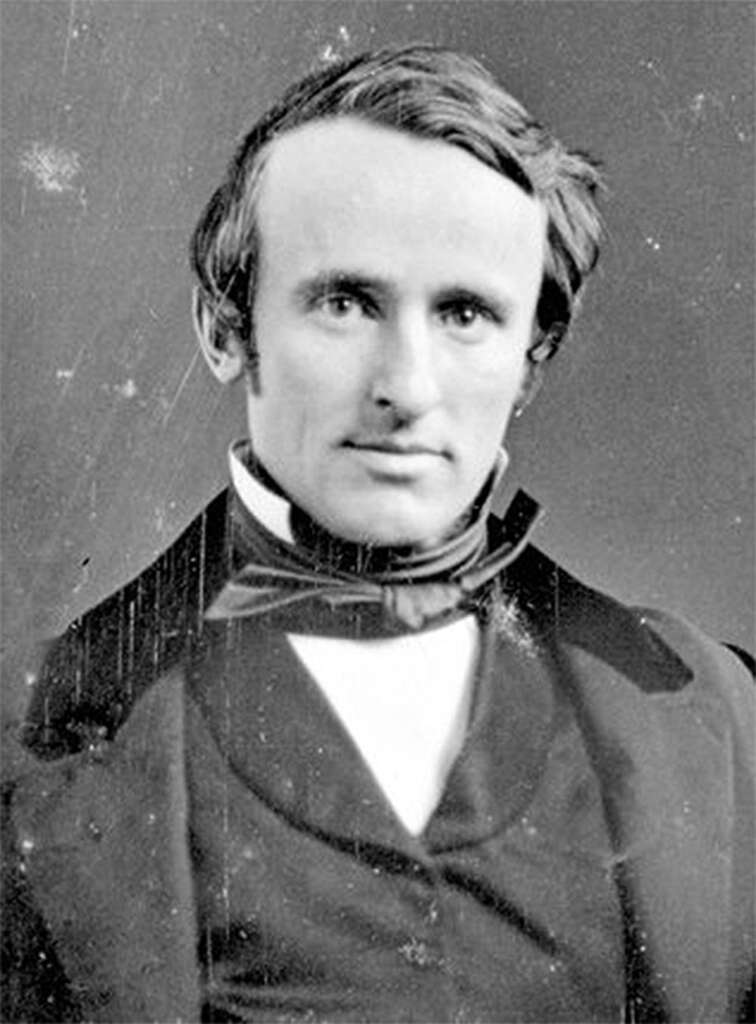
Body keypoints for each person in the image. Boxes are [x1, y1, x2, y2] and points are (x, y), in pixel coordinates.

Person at [1, 44, 753, 1024]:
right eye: (346, 302)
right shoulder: (32, 746)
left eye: (466, 313)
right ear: (225, 329)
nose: (406, 384)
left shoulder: (724, 718)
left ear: (531, 360)